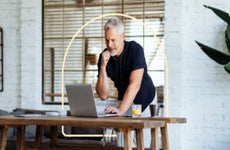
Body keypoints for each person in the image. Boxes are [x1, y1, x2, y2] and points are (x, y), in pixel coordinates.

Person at [96, 17, 156, 116]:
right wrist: (103, 66)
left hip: (145, 99)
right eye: (107, 40)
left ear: (123, 36)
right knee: (121, 129)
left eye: (113, 40)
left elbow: (135, 85)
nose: (109, 45)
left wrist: (120, 110)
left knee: (140, 130)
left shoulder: (135, 50)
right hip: (124, 100)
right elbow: (103, 95)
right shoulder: (104, 57)